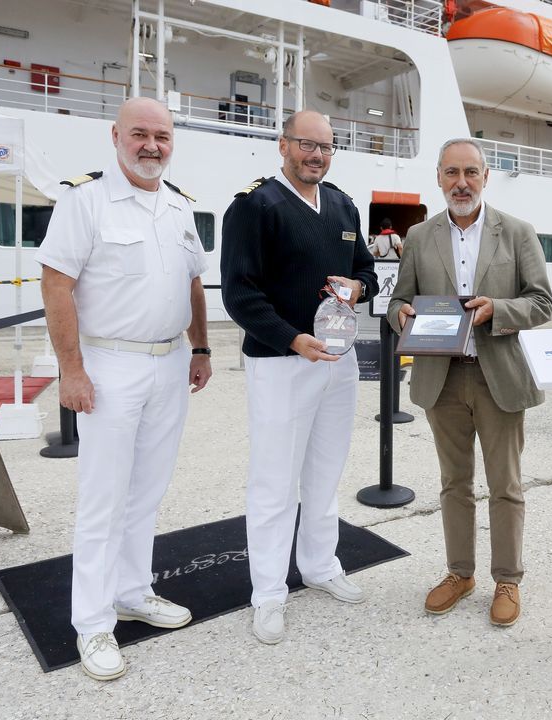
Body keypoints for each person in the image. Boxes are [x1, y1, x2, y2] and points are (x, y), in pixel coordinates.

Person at [36, 97, 212, 682]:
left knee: (147, 491)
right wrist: (72, 369)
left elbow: (192, 284)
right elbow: (57, 285)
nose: (152, 145)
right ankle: (91, 623)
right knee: (102, 500)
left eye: (162, 136)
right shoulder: (84, 199)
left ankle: (133, 591)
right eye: (140, 134)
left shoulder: (180, 206)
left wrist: (203, 347)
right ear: (116, 136)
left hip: (169, 363)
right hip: (109, 364)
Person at [221, 110, 379, 645]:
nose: (317, 155)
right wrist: (291, 339)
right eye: (307, 145)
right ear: (283, 145)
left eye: (326, 147)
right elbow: (239, 294)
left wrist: (358, 290)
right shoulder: (254, 206)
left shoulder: (341, 203)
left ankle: (319, 563)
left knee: (325, 471)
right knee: (274, 481)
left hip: (337, 359)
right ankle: (267, 591)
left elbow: (367, 272)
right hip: (282, 361)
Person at [387, 138, 552, 627]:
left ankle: (508, 578)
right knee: (453, 484)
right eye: (452, 173)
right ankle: (460, 573)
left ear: (485, 177)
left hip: (496, 374)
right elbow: (398, 301)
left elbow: (541, 302)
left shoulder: (517, 232)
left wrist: (496, 309)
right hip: (442, 378)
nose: (461, 183)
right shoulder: (419, 236)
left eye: (471, 173)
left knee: (505, 484)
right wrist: (405, 316)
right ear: (438, 178)